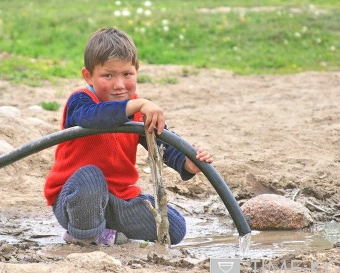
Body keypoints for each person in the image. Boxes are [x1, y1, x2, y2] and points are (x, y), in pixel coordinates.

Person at [44, 27, 213, 246]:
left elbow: (163, 144)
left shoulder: (139, 110)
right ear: (88, 75)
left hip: (118, 200)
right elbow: (95, 118)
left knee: (175, 226)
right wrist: (138, 105)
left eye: (127, 74)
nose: (119, 85)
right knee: (90, 177)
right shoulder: (81, 101)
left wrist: (187, 162)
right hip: (76, 199)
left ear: (137, 71)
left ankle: (104, 231)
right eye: (108, 75)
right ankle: (82, 234)